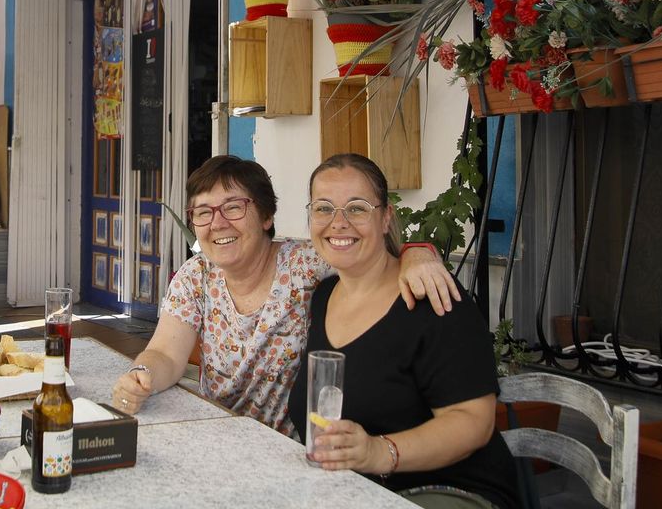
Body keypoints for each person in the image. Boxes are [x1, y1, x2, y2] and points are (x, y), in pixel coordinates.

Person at [109, 155, 458, 435]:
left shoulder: (305, 265)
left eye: (233, 207)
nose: (217, 223)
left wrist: (417, 253)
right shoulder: (195, 276)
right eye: (203, 212)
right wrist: (143, 374)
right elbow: (165, 354)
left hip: (292, 447)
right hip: (218, 436)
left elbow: (370, 256)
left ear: (266, 215)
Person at [289, 152, 528, 509]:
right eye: (323, 208)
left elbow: (473, 422)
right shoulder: (324, 295)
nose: (338, 222)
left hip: (452, 499)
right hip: (356, 500)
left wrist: (378, 452)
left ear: (386, 218)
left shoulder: (434, 299)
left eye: (357, 208)